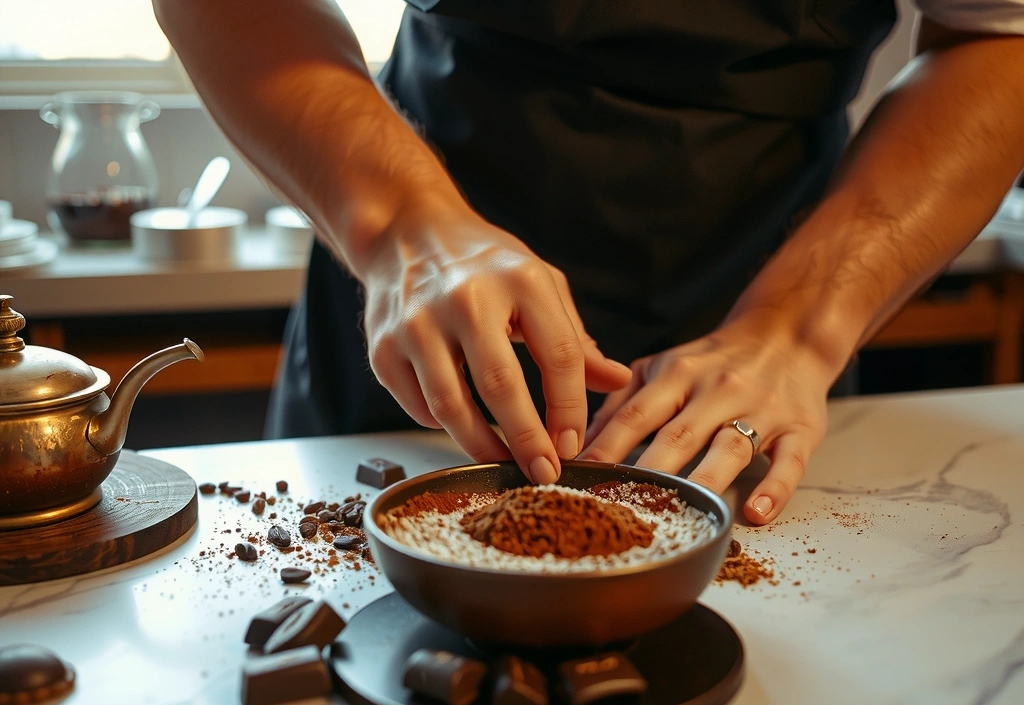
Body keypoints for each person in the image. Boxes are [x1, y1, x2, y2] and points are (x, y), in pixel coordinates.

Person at [155, 0, 1024, 525]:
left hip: (773, 282)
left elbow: (995, 36)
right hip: (414, 286)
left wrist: (796, 328)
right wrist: (398, 226)